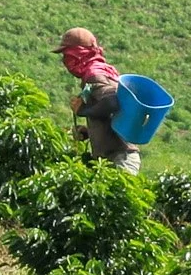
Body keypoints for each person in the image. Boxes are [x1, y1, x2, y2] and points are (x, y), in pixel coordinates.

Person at [55, 27, 140, 173]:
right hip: (112, 158)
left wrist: (83, 111)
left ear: (79, 55)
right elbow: (111, 115)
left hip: (119, 157)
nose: (65, 61)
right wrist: (89, 131)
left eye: (67, 56)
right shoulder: (103, 72)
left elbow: (112, 102)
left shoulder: (95, 74)